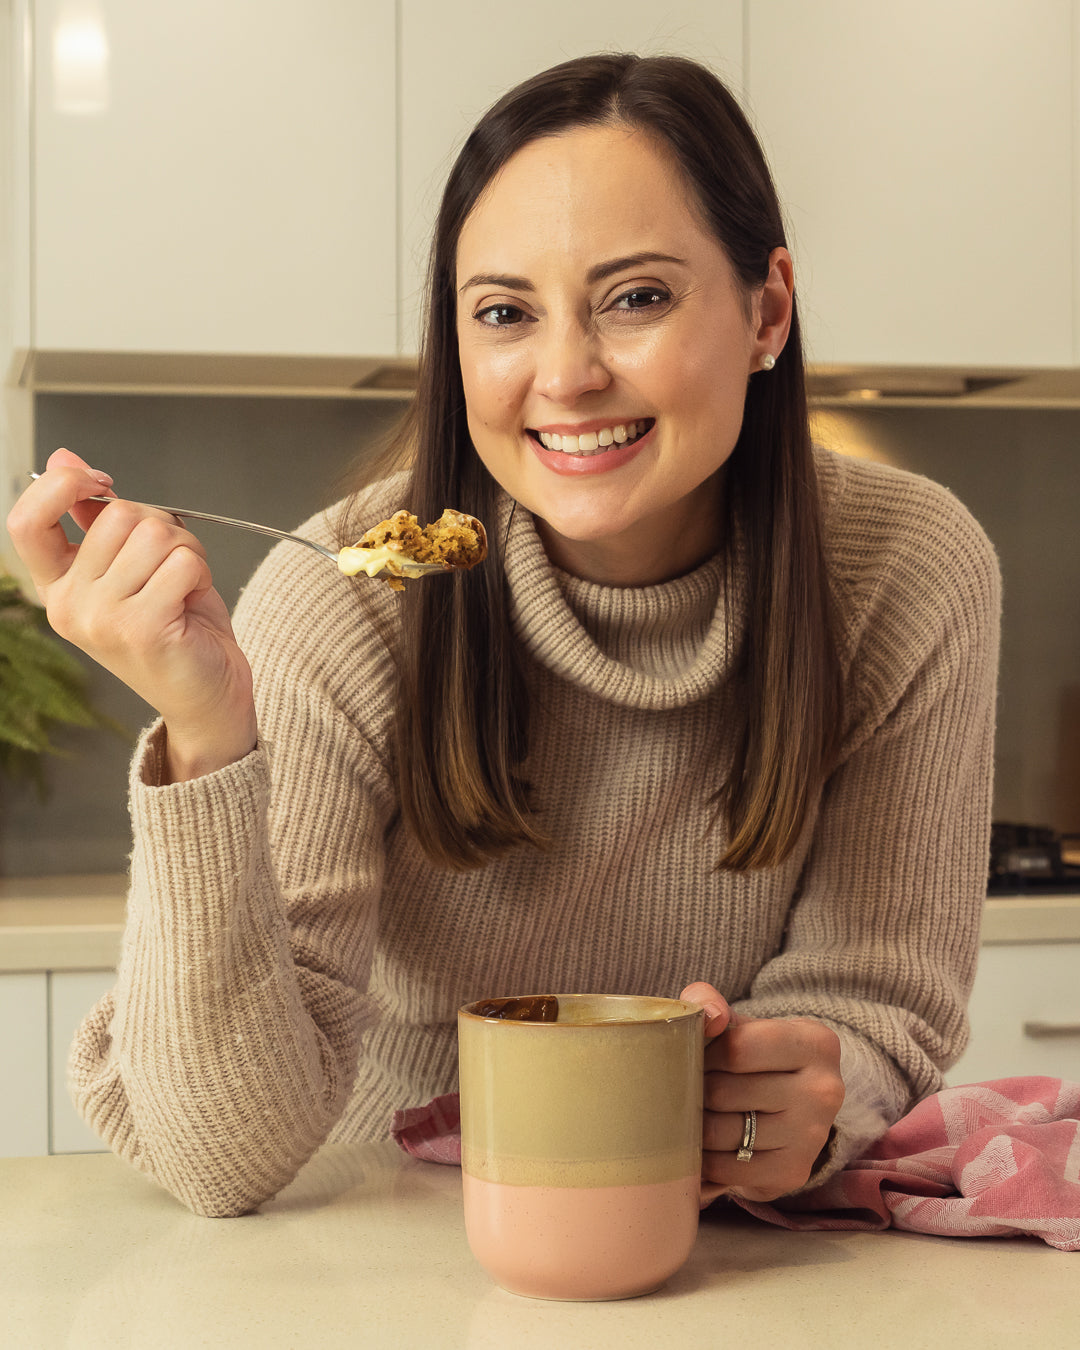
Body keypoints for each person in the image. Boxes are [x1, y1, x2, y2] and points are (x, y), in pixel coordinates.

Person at [6, 53, 1000, 1219]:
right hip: (405, 1239)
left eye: (637, 298)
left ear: (766, 307)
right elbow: (216, 1158)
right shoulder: (343, 597)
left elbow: (870, 1003)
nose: (567, 376)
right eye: (505, 313)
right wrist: (207, 734)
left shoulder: (907, 570)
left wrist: (812, 1096)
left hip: (727, 1239)